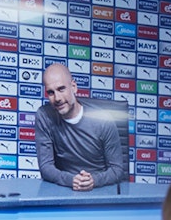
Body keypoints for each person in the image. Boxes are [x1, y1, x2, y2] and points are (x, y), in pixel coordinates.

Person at [35, 63, 127, 191]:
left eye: (61, 89)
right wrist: (72, 180)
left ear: (73, 87)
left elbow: (117, 170)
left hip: (99, 191)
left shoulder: (103, 120)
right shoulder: (44, 116)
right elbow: (46, 167)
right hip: (65, 191)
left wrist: (93, 181)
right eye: (51, 92)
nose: (57, 98)